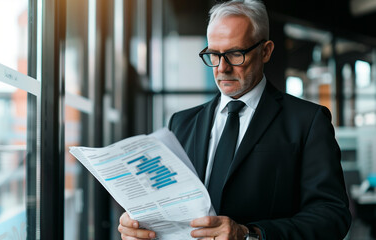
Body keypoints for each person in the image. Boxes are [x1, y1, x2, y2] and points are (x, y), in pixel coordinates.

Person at [118, 0, 351, 239]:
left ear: (266, 51)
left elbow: (332, 215)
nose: (222, 68)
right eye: (213, 55)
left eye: (235, 54)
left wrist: (250, 234)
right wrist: (139, 225)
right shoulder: (181, 124)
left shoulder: (307, 121)